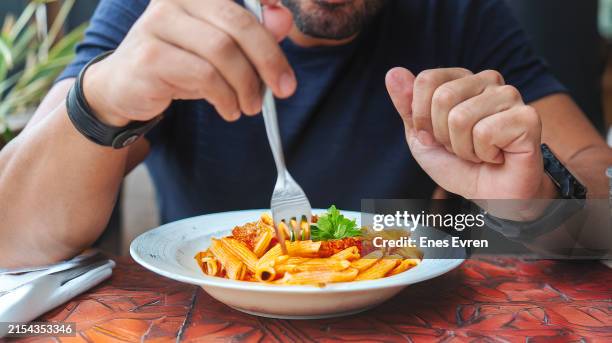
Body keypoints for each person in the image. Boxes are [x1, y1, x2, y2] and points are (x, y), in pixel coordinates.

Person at [0, 0, 610, 268]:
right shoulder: (162, 10)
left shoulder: (456, 13)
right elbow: (11, 239)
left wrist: (531, 207)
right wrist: (103, 97)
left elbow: (601, 216)